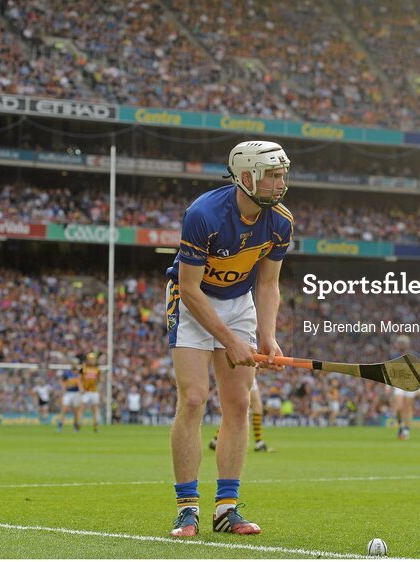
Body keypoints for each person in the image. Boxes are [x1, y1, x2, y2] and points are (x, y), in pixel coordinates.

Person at [166, 140, 293, 537]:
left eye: (282, 174)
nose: (280, 183)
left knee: (238, 403)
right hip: (193, 302)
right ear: (247, 176)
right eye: (272, 175)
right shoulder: (203, 214)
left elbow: (269, 284)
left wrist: (267, 337)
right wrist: (230, 341)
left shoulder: (281, 221)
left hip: (239, 303)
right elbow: (188, 288)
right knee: (192, 398)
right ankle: (188, 508)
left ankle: (227, 508)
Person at [209, 379, 274, 453]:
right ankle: (258, 442)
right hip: (244, 372)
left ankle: (216, 439)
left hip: (243, 372)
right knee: (252, 405)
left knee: (240, 407)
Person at [390, 335, 419, 440]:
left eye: (402, 343)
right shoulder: (395, 356)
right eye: (399, 343)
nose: (400, 345)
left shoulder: (414, 355)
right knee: (398, 407)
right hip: (399, 384)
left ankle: (406, 429)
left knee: (408, 408)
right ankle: (401, 427)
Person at [78, 351, 104, 433]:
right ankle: (78, 425)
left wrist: (100, 380)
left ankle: (96, 426)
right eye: (90, 359)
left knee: (95, 409)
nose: (92, 361)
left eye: (93, 359)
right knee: (82, 408)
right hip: (86, 391)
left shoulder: (97, 369)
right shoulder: (83, 368)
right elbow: (79, 379)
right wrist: (81, 388)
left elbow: (101, 379)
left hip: (94, 391)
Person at [57, 366, 81, 432]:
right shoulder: (67, 374)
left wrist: (81, 389)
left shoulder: (78, 374)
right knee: (64, 409)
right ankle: (60, 425)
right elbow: (62, 381)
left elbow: (80, 383)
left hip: (76, 393)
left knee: (76, 411)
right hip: (68, 393)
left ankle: (75, 427)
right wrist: (63, 387)